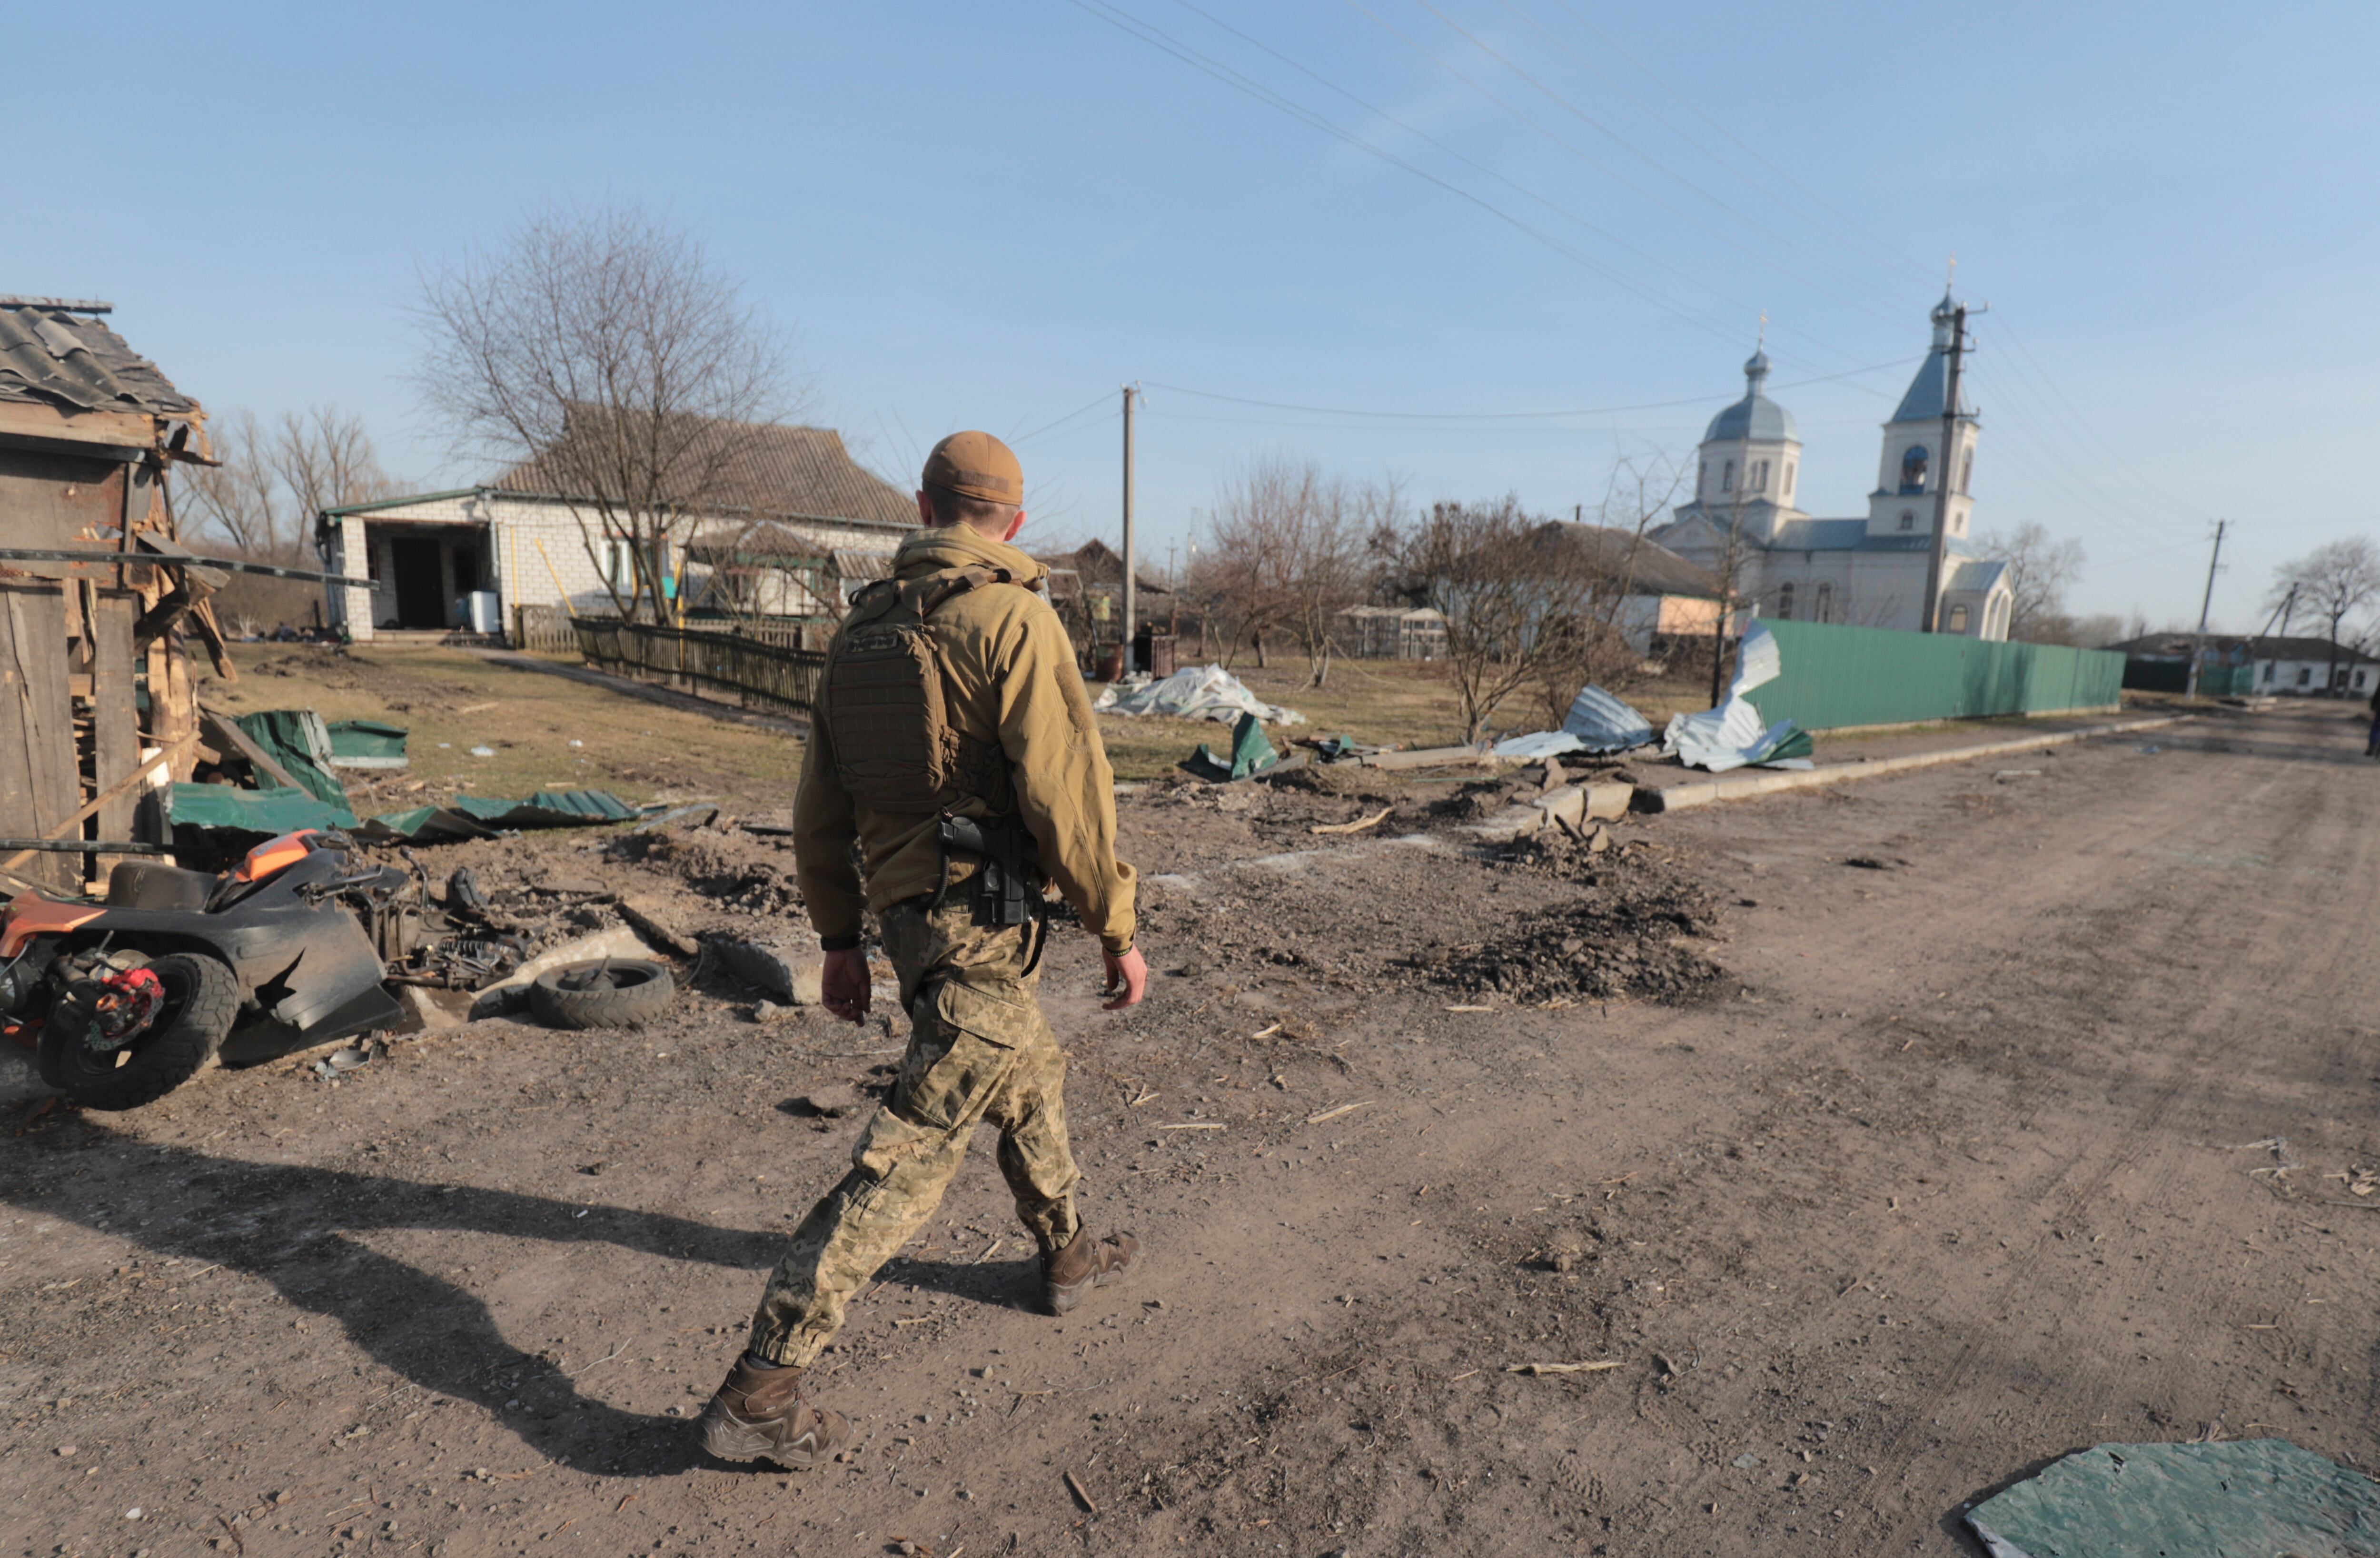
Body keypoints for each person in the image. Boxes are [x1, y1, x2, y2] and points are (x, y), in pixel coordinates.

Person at [698, 430, 1148, 1469]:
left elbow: (820, 804)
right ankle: (763, 1383)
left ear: (922, 503)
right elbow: (1067, 794)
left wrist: (840, 938)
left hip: (909, 923)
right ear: (1016, 524)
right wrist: (1114, 925)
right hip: (981, 923)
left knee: (1027, 1070)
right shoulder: (1015, 620)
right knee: (907, 1155)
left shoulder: (859, 634)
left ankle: (1069, 1253)